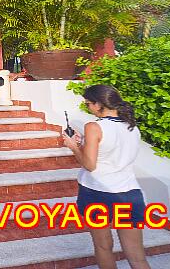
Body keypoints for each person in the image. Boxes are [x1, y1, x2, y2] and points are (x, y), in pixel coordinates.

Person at [61, 84, 150, 269]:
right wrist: (84, 142)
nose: (88, 108)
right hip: (130, 193)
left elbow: (90, 165)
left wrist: (73, 146)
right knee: (138, 257)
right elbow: (110, 154)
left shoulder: (94, 127)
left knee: (103, 247)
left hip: (98, 193)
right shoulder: (132, 127)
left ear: (98, 104)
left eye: (88, 104)